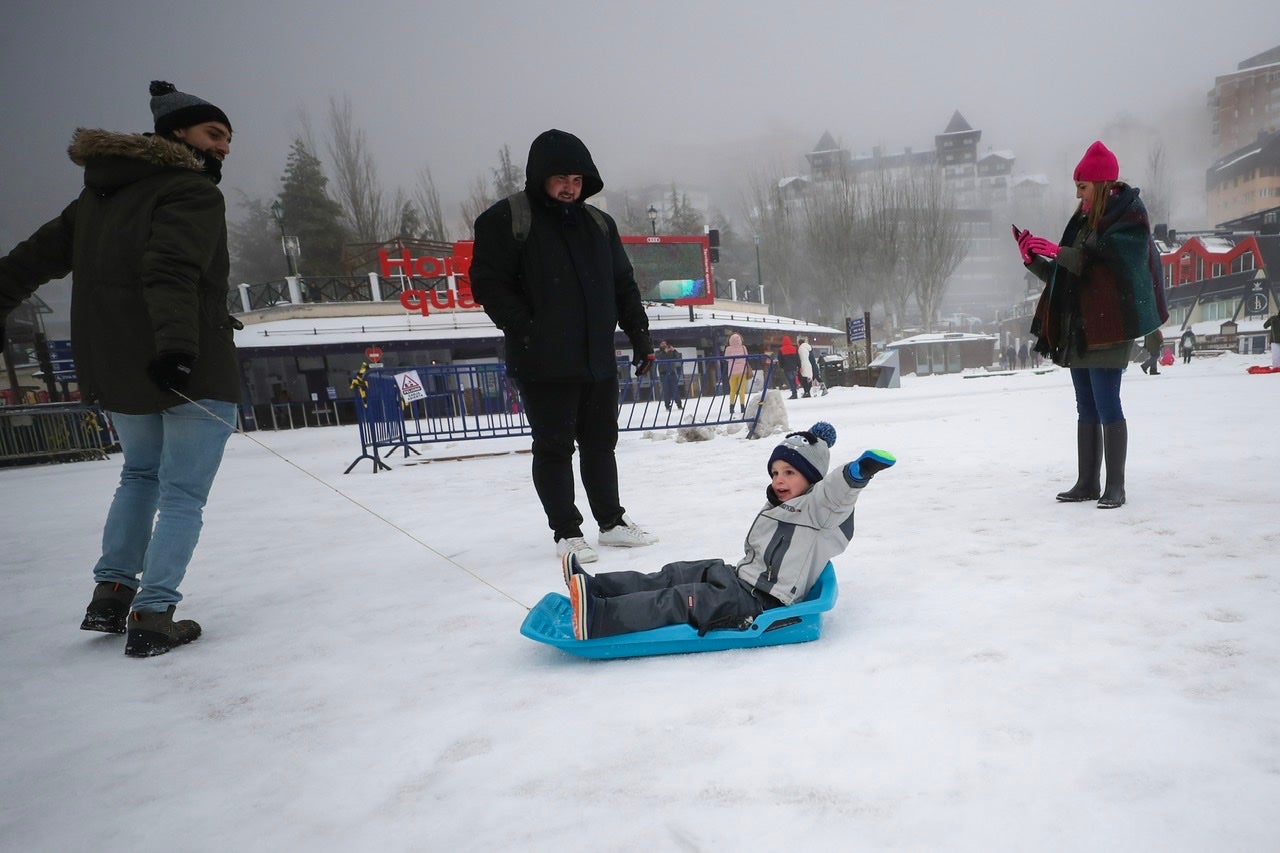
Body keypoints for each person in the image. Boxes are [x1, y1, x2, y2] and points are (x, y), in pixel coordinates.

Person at [0, 81, 241, 656]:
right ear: (178, 133)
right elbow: (172, 270)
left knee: (139, 476)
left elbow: (28, 261)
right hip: (187, 364)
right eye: (216, 133)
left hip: (118, 365)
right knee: (182, 493)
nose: (226, 147)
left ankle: (110, 595)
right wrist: (179, 350)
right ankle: (154, 614)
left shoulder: (96, 199)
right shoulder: (192, 192)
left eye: (230, 137)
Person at [469, 129, 658, 564]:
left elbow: (623, 285)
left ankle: (611, 523)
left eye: (577, 178)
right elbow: (488, 284)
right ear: (540, 177)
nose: (570, 186)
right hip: (542, 361)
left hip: (596, 358)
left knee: (601, 443)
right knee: (554, 447)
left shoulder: (598, 224)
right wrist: (528, 328)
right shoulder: (507, 219)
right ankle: (567, 532)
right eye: (560, 177)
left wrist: (640, 336)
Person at [562, 422, 895, 639]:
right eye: (776, 471)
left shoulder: (820, 510)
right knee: (677, 574)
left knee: (681, 599)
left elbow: (838, 493)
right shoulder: (781, 504)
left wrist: (858, 472)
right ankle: (597, 589)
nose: (779, 479)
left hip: (762, 603)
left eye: (790, 472)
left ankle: (600, 618)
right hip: (741, 579)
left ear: (812, 478)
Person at [1014, 140, 1168, 510]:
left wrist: (1059, 251)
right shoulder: (1083, 220)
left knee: (1106, 403)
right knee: (1086, 405)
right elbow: (1068, 272)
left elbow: (1107, 268)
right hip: (1080, 328)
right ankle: (1087, 482)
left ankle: (1115, 487)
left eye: (1082, 187)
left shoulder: (1128, 219)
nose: (1077, 193)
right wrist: (1033, 259)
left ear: (1100, 184)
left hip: (1110, 326)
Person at [722, 331, 751, 414]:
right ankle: (742, 407)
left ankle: (731, 407)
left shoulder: (728, 348)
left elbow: (726, 359)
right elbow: (747, 356)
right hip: (743, 371)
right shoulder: (743, 347)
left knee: (733, 390)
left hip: (732, 372)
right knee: (742, 390)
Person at [655, 340, 684, 411]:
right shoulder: (658, 352)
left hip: (672, 373)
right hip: (663, 374)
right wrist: (665, 352)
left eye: (665, 344)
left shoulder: (671, 352)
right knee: (666, 391)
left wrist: (674, 350)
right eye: (662, 344)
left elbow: (678, 357)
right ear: (660, 345)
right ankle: (667, 406)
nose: (664, 345)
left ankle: (679, 405)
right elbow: (659, 357)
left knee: (675, 389)